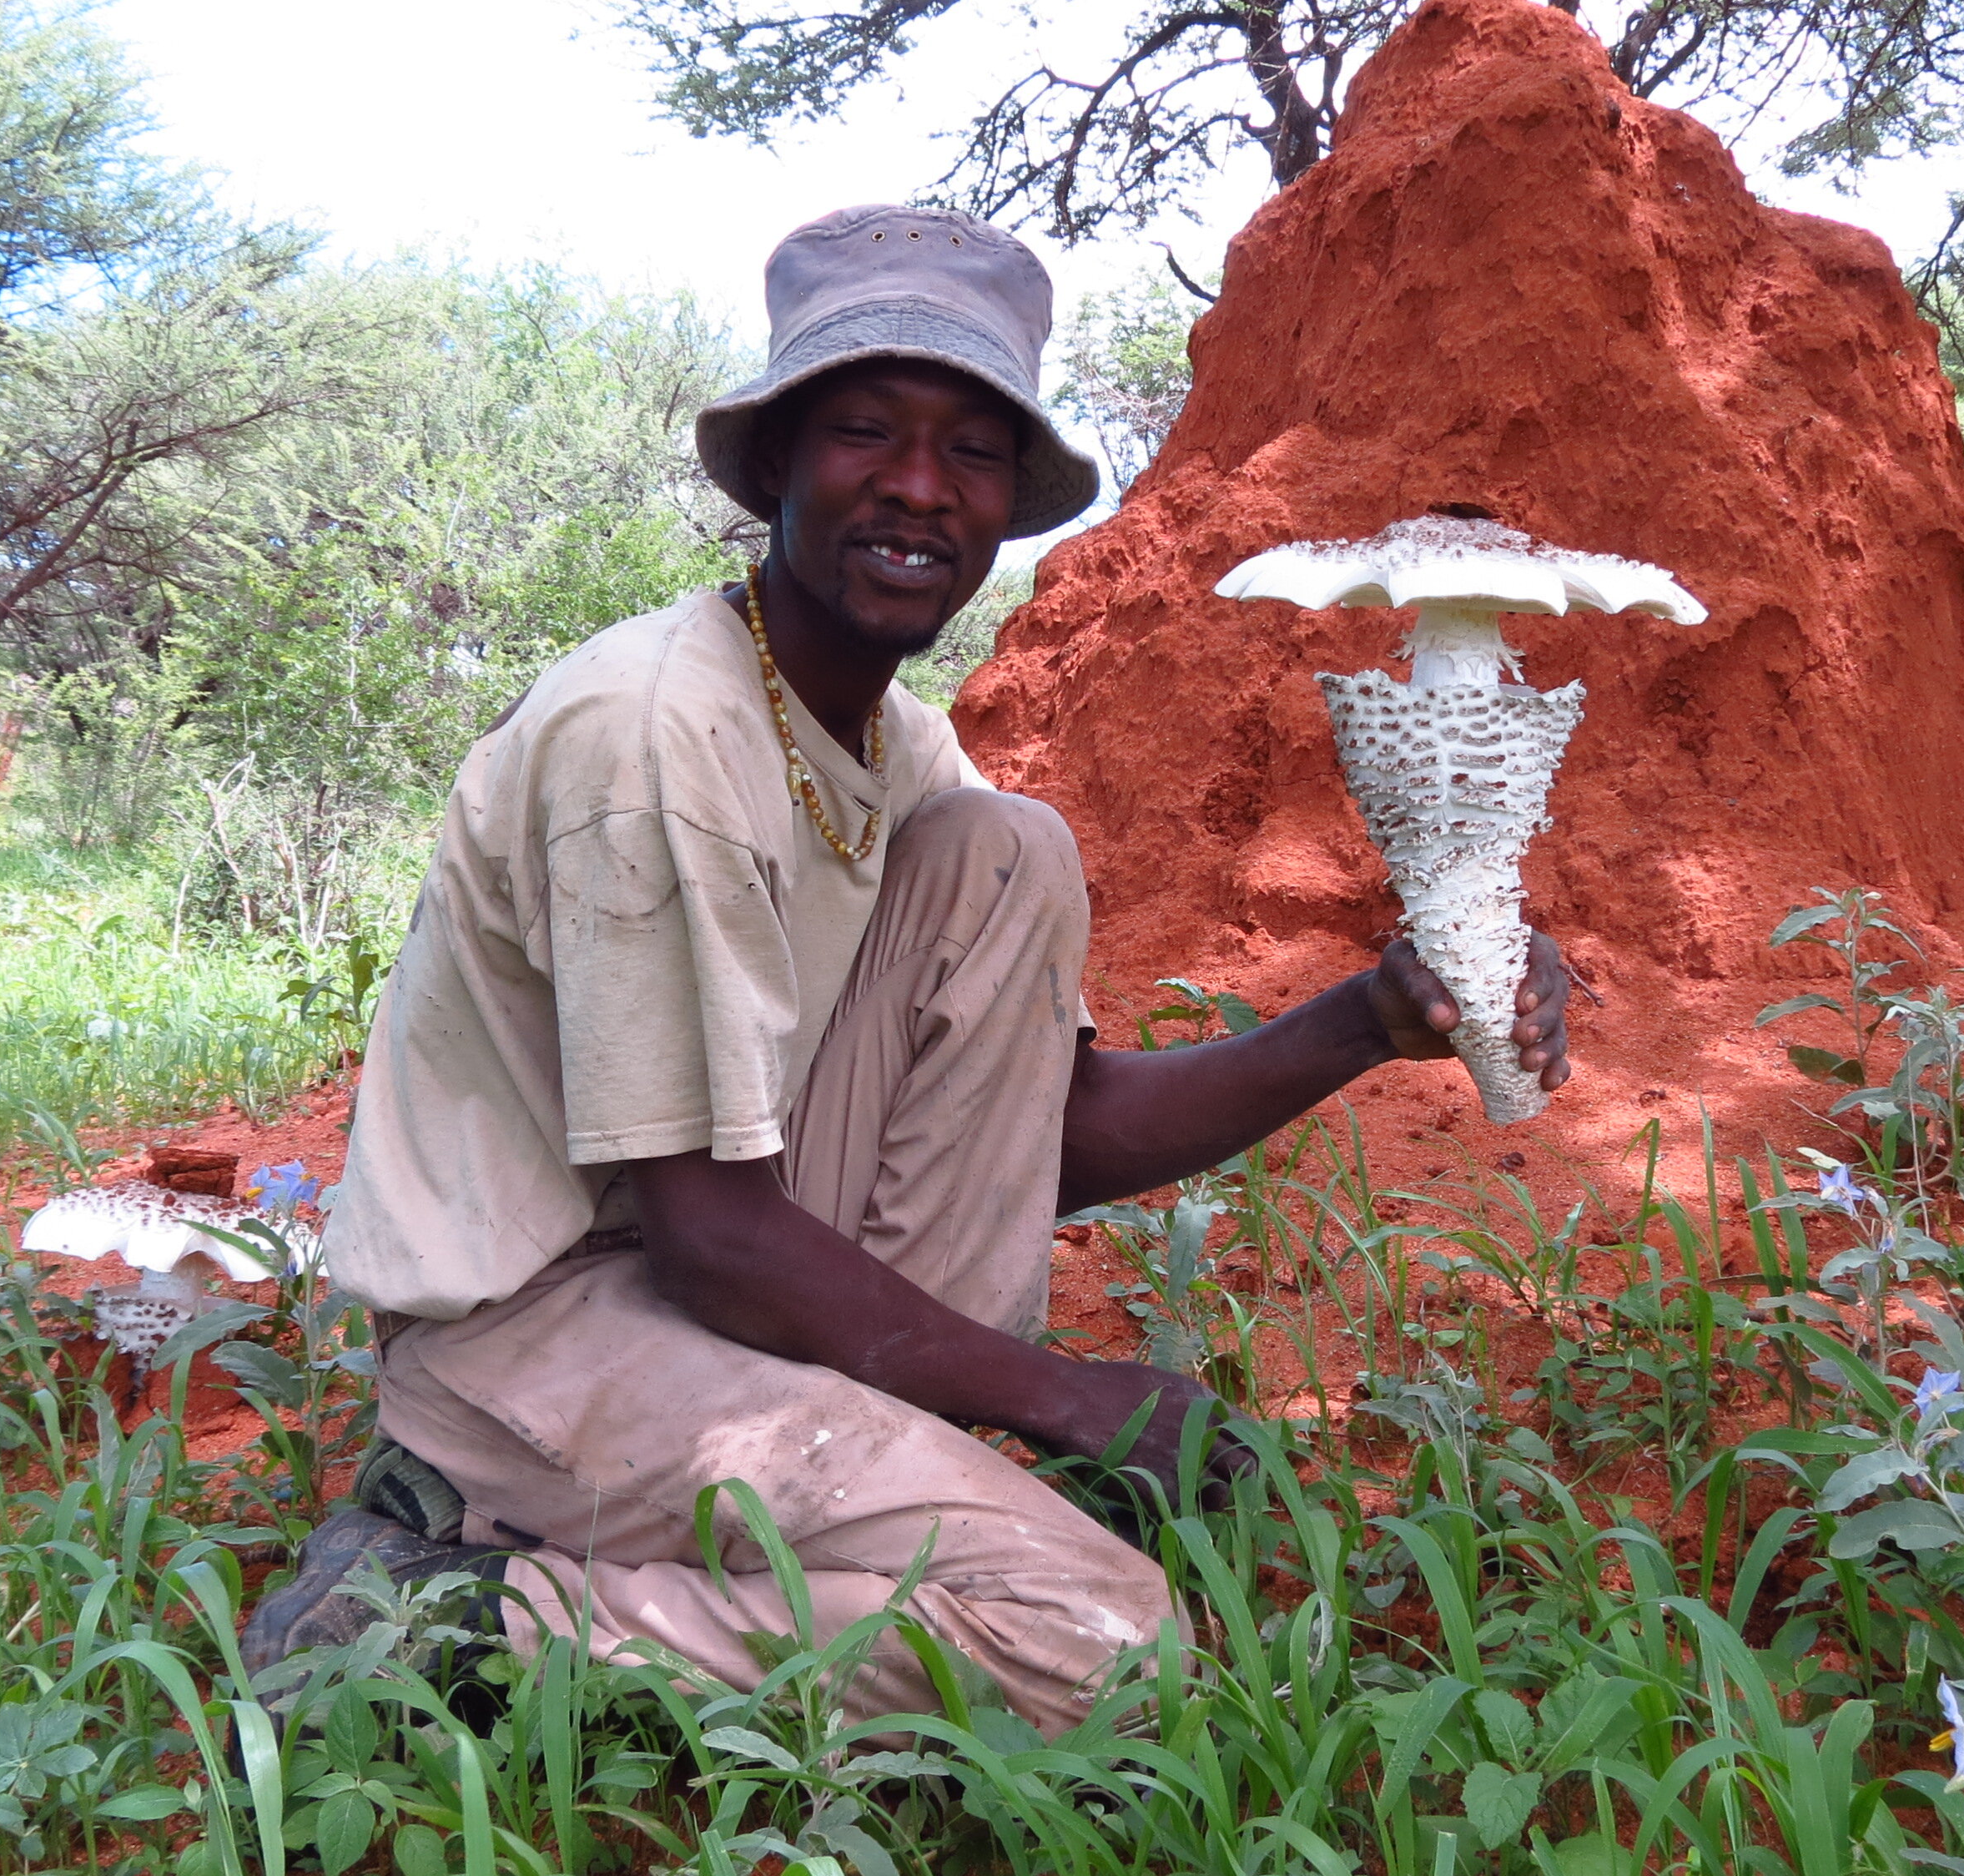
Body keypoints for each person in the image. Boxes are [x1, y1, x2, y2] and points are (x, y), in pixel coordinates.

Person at [239, 203, 1574, 1734]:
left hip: (716, 1276)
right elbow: (708, 1233)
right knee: (1102, 1640)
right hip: (539, 1325)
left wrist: (1369, 1019)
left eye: (974, 451)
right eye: (866, 430)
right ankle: (459, 1615)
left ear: (1010, 500)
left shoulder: (892, 740)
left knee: (1014, 848)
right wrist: (1071, 1400)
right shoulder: (656, 736)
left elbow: (1044, 1137)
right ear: (781, 468)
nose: (921, 488)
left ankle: (777, 1497)